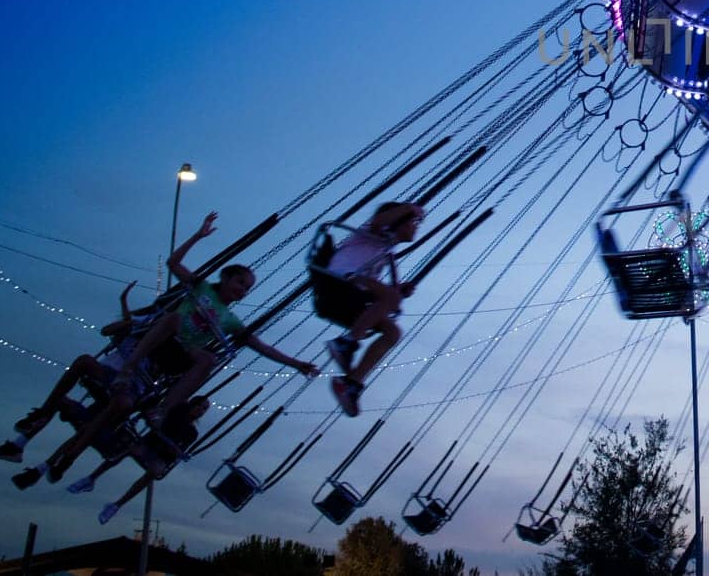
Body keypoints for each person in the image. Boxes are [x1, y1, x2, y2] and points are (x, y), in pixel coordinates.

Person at [22, 212, 317, 486]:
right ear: (225, 278)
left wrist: (296, 363)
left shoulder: (230, 319)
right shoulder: (202, 288)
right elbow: (174, 263)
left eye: (247, 288)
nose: (243, 290)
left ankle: (161, 410)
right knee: (174, 318)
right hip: (161, 339)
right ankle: (66, 437)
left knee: (208, 357)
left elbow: (259, 345)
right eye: (240, 282)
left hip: (176, 356)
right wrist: (198, 236)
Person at [0, 282, 147, 465]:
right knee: (70, 383)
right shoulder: (137, 326)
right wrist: (126, 309)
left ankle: (47, 464)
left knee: (85, 422)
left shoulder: (157, 346)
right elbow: (106, 331)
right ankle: (22, 441)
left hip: (126, 384)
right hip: (107, 372)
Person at [319, 201, 422, 416]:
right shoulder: (371, 233)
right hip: (339, 281)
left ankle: (351, 383)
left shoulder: (386, 251)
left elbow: (386, 292)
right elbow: (378, 220)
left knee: (393, 332)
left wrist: (400, 290)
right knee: (390, 297)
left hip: (356, 293)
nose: (416, 227)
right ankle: (346, 343)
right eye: (414, 222)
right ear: (398, 221)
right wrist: (408, 208)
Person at [61, 395, 211, 525]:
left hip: (160, 455)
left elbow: (178, 450)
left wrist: (174, 450)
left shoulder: (192, 432)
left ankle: (117, 505)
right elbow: (164, 413)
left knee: (156, 471)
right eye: (200, 406)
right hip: (148, 445)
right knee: (128, 448)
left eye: (204, 409)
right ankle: (92, 478)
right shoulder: (175, 412)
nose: (201, 410)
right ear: (193, 403)